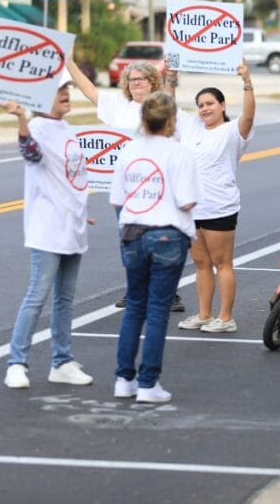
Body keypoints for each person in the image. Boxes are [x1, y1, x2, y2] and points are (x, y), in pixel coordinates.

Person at [66, 58, 185, 312]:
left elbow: (169, 99)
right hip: (128, 188)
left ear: (152, 81)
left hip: (157, 185)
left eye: (140, 79)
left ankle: (170, 293)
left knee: (160, 239)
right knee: (130, 241)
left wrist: (172, 76)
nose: (135, 84)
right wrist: (68, 62)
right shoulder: (119, 106)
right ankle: (135, 292)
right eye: (131, 80)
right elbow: (88, 90)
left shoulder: (159, 105)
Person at [1, 79, 95, 390]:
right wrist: (21, 119)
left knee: (65, 299)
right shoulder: (38, 128)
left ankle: (62, 362)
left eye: (67, 89)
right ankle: (16, 363)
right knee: (37, 295)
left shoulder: (70, 130)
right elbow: (31, 154)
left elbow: (73, 177)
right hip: (47, 227)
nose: (66, 94)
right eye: (59, 91)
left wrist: (80, 210)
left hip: (73, 225)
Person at [111, 91, 200, 403]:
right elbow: (187, 200)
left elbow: (117, 201)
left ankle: (124, 379)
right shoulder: (179, 153)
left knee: (134, 305)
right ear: (171, 122)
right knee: (159, 308)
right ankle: (149, 383)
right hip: (167, 234)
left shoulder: (128, 151)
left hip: (133, 232)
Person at [173, 62, 255, 334]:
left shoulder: (232, 132)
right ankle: (205, 314)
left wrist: (247, 81)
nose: (204, 108)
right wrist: (170, 79)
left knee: (222, 264)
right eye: (200, 104)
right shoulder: (192, 127)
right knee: (201, 264)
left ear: (222, 105)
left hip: (220, 207)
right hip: (191, 209)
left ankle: (226, 317)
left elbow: (249, 116)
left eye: (210, 103)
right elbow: (167, 106)